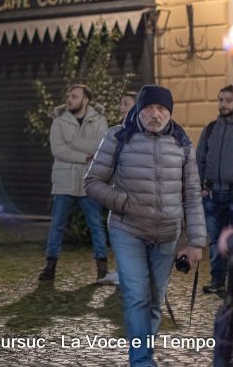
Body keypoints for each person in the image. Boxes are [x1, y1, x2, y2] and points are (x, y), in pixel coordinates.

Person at [84, 84, 206, 367]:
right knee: (138, 296)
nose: (155, 114)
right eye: (149, 108)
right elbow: (92, 183)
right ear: (139, 109)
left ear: (169, 112)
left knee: (153, 299)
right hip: (128, 231)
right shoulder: (117, 136)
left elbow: (192, 193)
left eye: (162, 109)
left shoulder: (183, 142)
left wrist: (196, 242)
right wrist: (123, 202)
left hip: (167, 234)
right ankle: (141, 360)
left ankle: (143, 352)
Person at [38, 84, 111, 283]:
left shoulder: (100, 120)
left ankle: (102, 270)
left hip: (89, 182)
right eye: (69, 95)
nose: (69, 99)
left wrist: (73, 143)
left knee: (96, 225)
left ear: (85, 100)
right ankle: (50, 268)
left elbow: (101, 146)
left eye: (74, 96)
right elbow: (58, 150)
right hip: (64, 182)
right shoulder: (59, 122)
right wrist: (83, 155)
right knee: (57, 225)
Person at [197, 84, 233, 294]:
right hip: (211, 194)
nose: (223, 104)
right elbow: (199, 160)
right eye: (221, 100)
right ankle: (217, 281)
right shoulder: (210, 129)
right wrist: (200, 187)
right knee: (214, 241)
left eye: (228, 100)